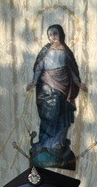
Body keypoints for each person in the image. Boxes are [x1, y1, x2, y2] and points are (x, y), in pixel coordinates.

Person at [27, 24, 86, 168]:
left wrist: (79, 84)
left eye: (55, 34)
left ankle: (57, 144)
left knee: (61, 115)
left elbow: (72, 71)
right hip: (47, 88)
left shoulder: (66, 52)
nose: (53, 37)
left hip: (63, 89)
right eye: (50, 35)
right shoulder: (45, 51)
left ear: (60, 34)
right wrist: (34, 82)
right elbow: (39, 68)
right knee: (48, 115)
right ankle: (45, 144)